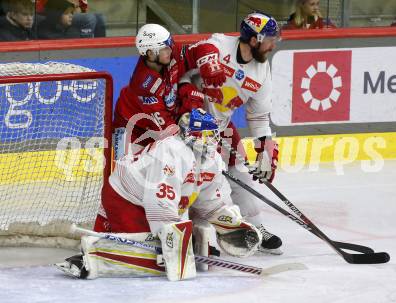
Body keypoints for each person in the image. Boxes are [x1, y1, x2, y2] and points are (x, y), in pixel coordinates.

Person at [55, 109, 262, 281]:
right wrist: (173, 242)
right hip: (125, 199)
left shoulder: (212, 160)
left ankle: (107, 246)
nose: (212, 140)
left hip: (144, 202)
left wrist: (230, 225)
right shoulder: (171, 153)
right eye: (206, 135)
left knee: (166, 252)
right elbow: (159, 202)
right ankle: (93, 258)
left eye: (213, 134)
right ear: (192, 134)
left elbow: (210, 202)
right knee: (158, 257)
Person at [179, 12, 283, 254]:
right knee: (192, 181)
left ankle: (256, 230)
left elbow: (258, 117)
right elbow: (181, 70)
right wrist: (189, 100)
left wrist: (264, 153)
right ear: (254, 39)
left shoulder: (262, 71)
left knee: (242, 175)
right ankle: (193, 235)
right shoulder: (218, 45)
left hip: (220, 127)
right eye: (270, 38)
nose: (274, 43)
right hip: (186, 123)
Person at [112, 23, 226, 158]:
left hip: (159, 121)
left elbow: (200, 49)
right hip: (131, 129)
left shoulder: (169, 55)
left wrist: (209, 61)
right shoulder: (144, 84)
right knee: (127, 172)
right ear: (150, 53)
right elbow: (166, 128)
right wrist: (192, 139)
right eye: (165, 48)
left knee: (192, 96)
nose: (170, 50)